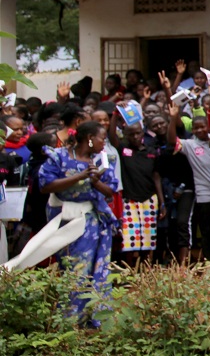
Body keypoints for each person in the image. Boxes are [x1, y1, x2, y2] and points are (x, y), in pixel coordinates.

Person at [15, 122, 119, 324]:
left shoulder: (104, 158)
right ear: (89, 138)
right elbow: (45, 186)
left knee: (94, 269)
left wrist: (95, 181)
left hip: (92, 219)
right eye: (101, 138)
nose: (104, 142)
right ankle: (71, 319)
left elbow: (110, 191)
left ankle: (95, 318)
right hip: (65, 217)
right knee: (74, 269)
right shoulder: (59, 156)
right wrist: (80, 176)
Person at [166, 100, 210, 263]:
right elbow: (172, 141)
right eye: (195, 127)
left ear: (208, 126)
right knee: (207, 232)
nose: (199, 130)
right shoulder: (190, 145)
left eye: (202, 126)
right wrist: (172, 119)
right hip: (204, 196)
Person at [109, 109, 163, 267]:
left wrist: (161, 201)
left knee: (148, 236)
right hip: (129, 198)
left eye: (138, 133)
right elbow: (112, 137)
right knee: (129, 237)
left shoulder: (152, 151)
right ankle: (129, 270)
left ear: (143, 132)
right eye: (131, 134)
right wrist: (114, 116)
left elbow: (156, 176)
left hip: (149, 198)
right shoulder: (123, 149)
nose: (135, 137)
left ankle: (145, 270)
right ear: (126, 135)